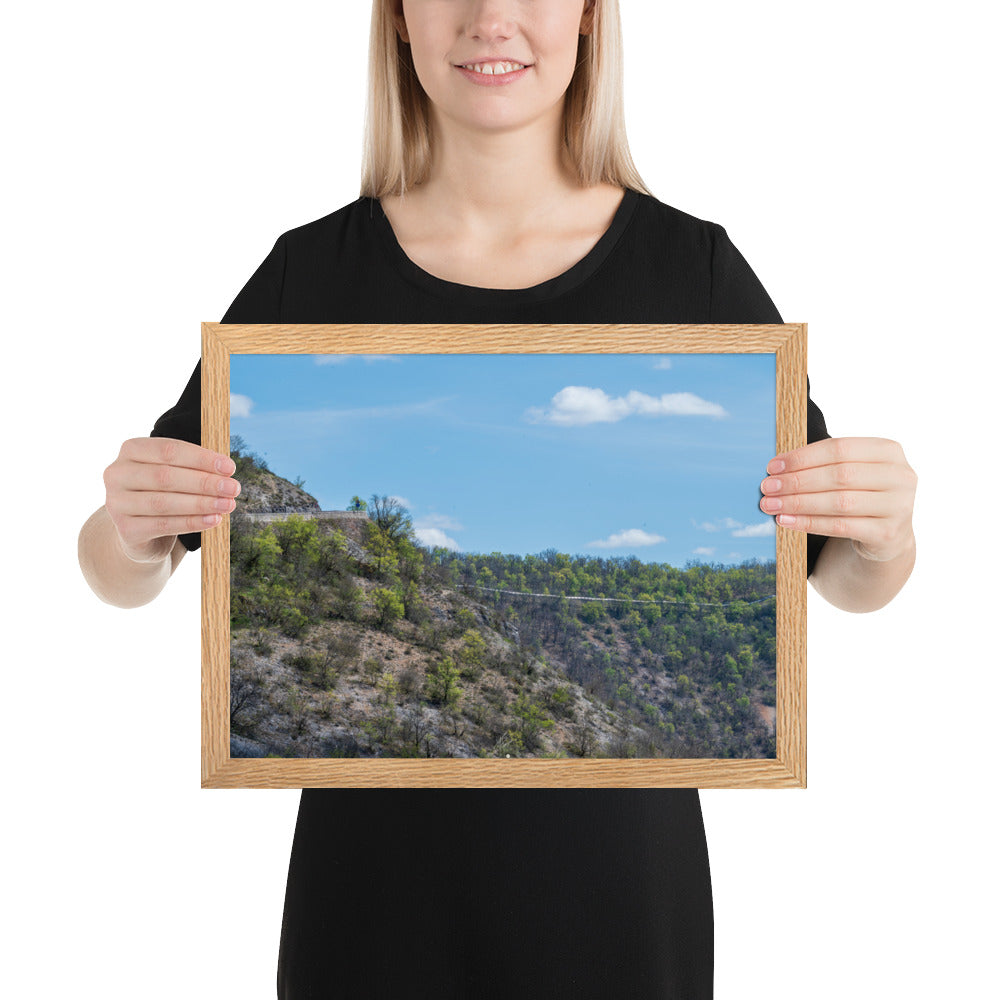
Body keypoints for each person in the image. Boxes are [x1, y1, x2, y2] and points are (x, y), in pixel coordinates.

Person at [78, 1, 917, 995]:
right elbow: (122, 567)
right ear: (397, 19)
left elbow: (844, 577)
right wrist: (131, 530)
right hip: (370, 900)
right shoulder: (312, 270)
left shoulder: (691, 268)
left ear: (591, 18)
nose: (491, 19)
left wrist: (884, 530)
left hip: (618, 899)